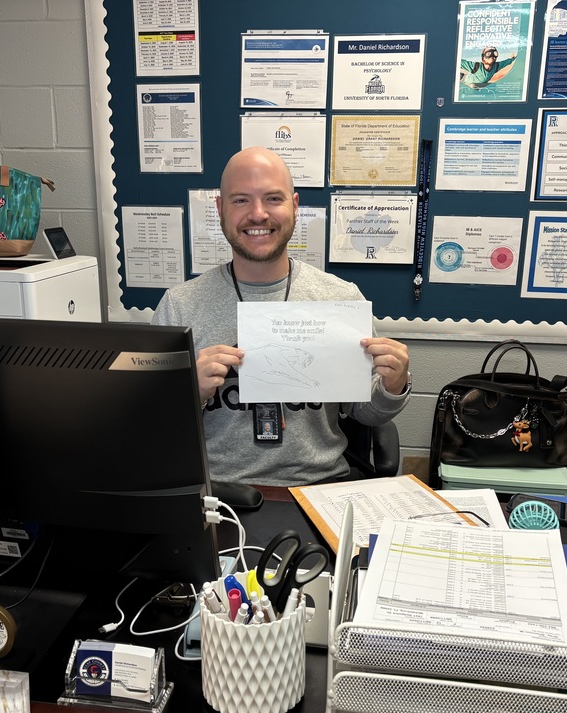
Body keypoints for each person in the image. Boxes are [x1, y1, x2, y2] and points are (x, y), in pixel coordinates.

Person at [151, 147, 411, 487]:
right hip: (219, 495)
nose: (258, 214)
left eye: (273, 198)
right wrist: (190, 393)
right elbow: (154, 427)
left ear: (295, 206)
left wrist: (394, 385)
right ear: (220, 209)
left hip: (321, 487)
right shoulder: (179, 306)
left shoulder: (340, 298)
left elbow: (366, 414)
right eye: (241, 200)